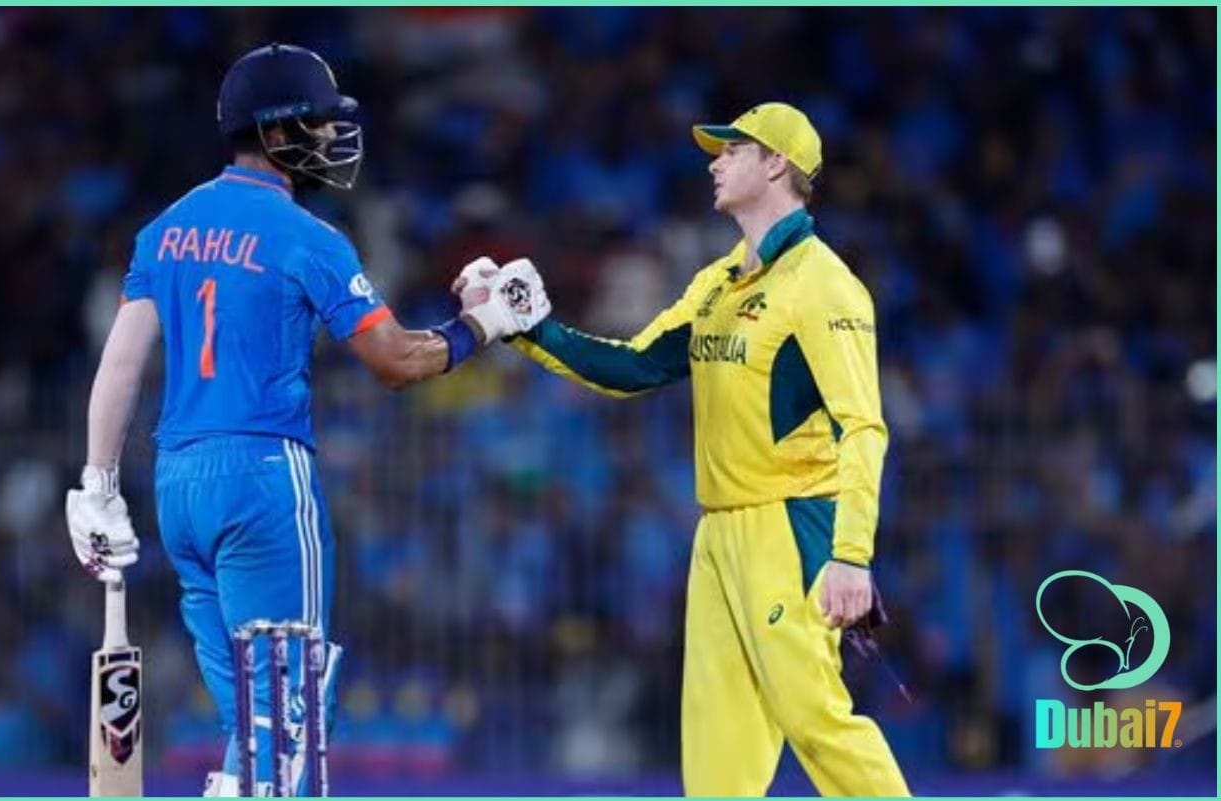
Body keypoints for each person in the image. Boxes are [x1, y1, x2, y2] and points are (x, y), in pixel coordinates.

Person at [63, 43, 548, 796]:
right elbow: (394, 360)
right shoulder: (307, 238)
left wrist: (96, 484)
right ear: (279, 128)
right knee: (290, 721)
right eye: (319, 122)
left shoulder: (166, 229)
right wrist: (483, 325)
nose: (330, 136)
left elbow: (121, 361)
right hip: (264, 481)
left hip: (179, 485)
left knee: (251, 727)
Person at [463, 102, 909, 795]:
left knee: (814, 716)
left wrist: (851, 553)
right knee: (718, 738)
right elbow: (636, 366)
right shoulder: (719, 282)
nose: (714, 163)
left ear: (777, 164)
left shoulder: (823, 284)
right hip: (719, 534)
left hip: (791, 525)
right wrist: (529, 329)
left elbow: (863, 426)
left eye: (733, 150)